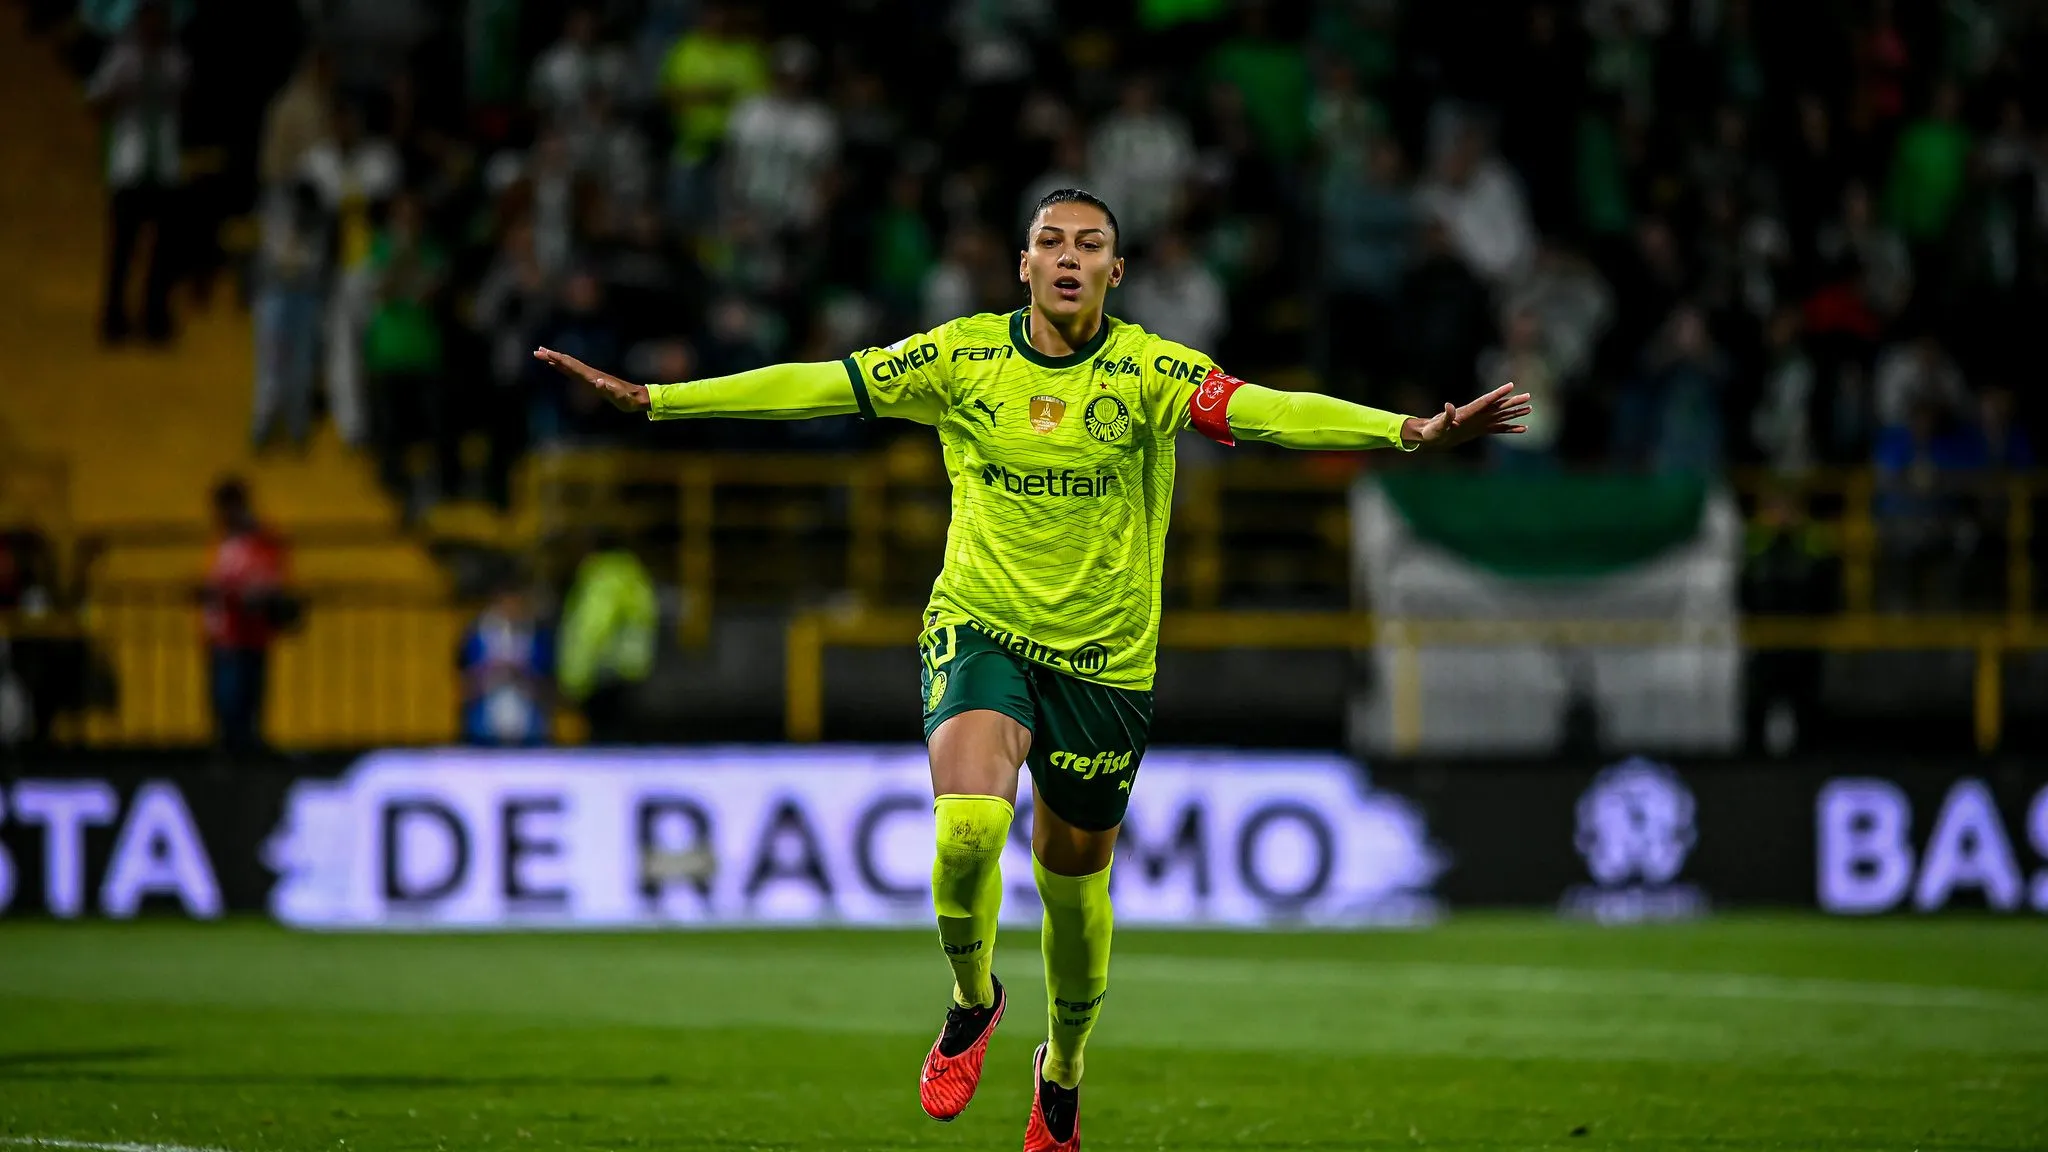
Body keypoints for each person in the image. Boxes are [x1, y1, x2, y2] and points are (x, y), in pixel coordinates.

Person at [533, 189, 1528, 1152]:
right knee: (967, 828)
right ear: (1021, 263)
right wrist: (662, 400)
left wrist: (1406, 430)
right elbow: (818, 382)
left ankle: (1062, 1073)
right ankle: (972, 1004)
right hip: (981, 628)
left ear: (1114, 269)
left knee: (1070, 894)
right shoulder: (960, 355)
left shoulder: (1149, 370)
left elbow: (1269, 410)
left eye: (1088, 244)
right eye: (1049, 240)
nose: (1066, 256)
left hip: (1102, 663)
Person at [199, 478, 298, 756]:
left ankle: (243, 749)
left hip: (249, 636)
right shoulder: (223, 542)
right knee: (227, 705)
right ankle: (229, 748)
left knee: (245, 701)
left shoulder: (260, 540)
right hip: (224, 637)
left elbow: (269, 579)